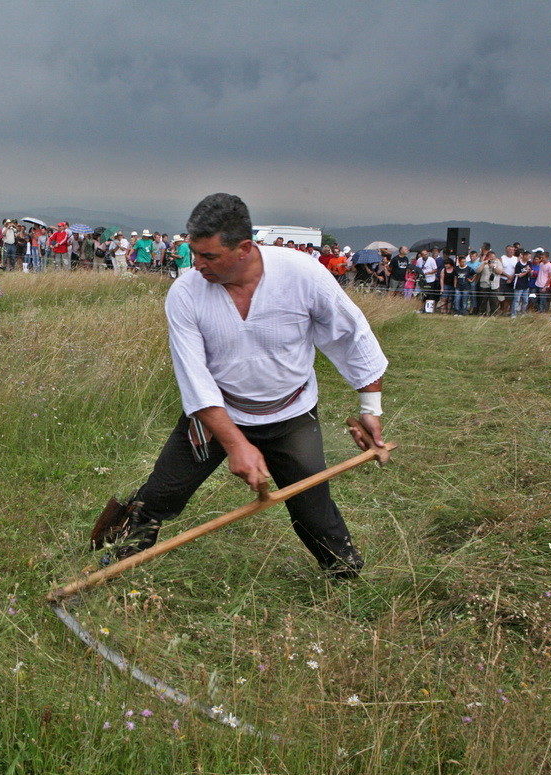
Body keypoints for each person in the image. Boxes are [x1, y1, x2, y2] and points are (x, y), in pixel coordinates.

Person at [101, 193, 388, 579]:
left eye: (209, 256)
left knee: (311, 504)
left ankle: (345, 575)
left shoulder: (302, 274)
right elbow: (195, 378)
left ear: (244, 249)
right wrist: (237, 444)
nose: (197, 264)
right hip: (215, 415)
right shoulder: (186, 293)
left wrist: (370, 409)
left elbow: (353, 335)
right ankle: (114, 562)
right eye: (194, 253)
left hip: (291, 415)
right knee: (161, 494)